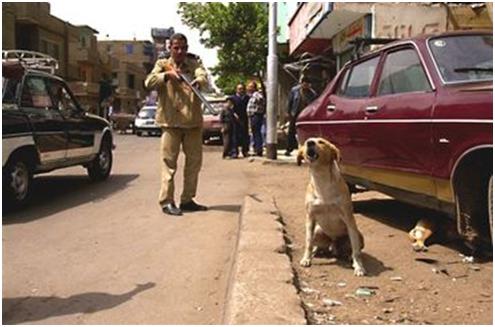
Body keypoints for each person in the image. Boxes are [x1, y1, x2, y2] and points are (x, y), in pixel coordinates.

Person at [144, 33, 209, 216]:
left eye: (183, 48)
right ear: (170, 48)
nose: (180, 51)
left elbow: (203, 76)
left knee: (193, 164)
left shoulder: (195, 63)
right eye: (176, 48)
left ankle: (187, 200)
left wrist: (199, 81)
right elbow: (149, 82)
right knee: (168, 164)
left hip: (192, 123)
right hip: (170, 122)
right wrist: (167, 76)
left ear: (187, 48)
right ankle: (167, 201)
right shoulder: (162, 64)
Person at [285, 76, 317, 156]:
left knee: (307, 133)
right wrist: (288, 112)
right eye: (304, 84)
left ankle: (307, 150)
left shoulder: (312, 93)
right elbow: (290, 102)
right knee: (291, 132)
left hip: (306, 116)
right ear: (302, 84)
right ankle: (289, 149)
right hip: (295, 114)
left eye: (307, 84)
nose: (305, 86)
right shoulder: (295, 91)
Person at [246, 81, 265, 156]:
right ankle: (256, 148)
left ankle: (258, 150)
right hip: (253, 116)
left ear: (254, 88)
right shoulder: (251, 95)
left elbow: (261, 99)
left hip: (256, 115)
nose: (248, 88)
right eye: (248, 86)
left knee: (256, 133)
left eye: (250, 87)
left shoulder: (256, 94)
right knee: (254, 133)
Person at [232, 83, 250, 157]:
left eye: (242, 88)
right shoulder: (233, 98)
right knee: (235, 136)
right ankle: (235, 152)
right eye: (239, 89)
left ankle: (245, 151)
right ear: (236, 90)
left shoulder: (247, 98)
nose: (241, 90)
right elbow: (230, 108)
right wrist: (234, 114)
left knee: (245, 136)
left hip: (244, 119)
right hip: (235, 120)